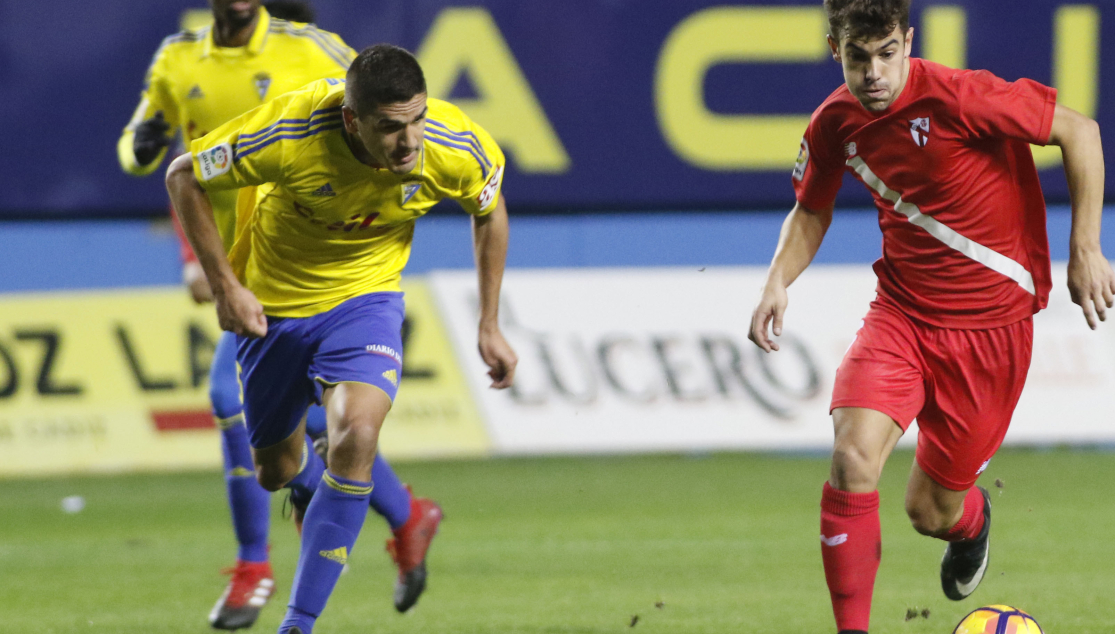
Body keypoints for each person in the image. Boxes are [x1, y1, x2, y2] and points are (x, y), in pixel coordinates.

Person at [747, 1, 1114, 632]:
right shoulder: (833, 124)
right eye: (858, 58)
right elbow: (811, 209)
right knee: (852, 459)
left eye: (887, 53)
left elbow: (1080, 131)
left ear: (907, 41)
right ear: (835, 49)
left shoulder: (961, 97)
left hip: (990, 331)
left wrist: (1085, 247)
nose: (874, 75)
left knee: (930, 510)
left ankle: (970, 523)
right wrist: (777, 280)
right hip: (903, 314)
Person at [166, 44, 517, 634]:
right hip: (274, 311)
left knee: (357, 431)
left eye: (416, 121)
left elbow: (490, 210)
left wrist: (488, 322)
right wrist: (226, 286)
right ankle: (320, 491)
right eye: (389, 128)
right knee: (276, 470)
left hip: (367, 302)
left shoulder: (456, 146)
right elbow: (183, 177)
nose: (408, 143)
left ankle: (297, 624)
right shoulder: (292, 131)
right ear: (353, 120)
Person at [118, 2, 442, 629]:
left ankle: (254, 567)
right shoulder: (176, 58)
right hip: (236, 264)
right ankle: (406, 516)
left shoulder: (315, 49)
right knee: (319, 424)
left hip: (300, 264)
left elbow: (386, 113)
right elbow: (157, 155)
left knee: (232, 398)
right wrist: (144, 154)